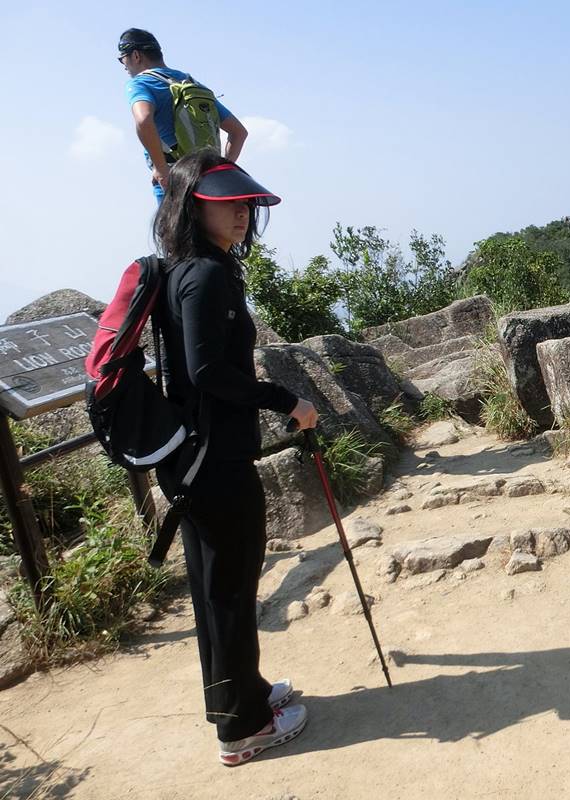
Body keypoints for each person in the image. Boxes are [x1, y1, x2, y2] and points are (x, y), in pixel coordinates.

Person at [153, 150, 317, 766]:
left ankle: (240, 695)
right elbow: (207, 371)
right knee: (228, 588)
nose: (241, 213)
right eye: (226, 203)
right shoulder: (206, 275)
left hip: (196, 457)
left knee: (218, 588)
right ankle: (244, 729)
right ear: (192, 207)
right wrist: (286, 400)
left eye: (244, 203)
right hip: (213, 461)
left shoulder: (189, 269)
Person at [119, 28, 249, 203]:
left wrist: (161, 169)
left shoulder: (140, 83)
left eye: (122, 59)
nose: (124, 66)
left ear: (136, 55)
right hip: (208, 180)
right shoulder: (192, 84)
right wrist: (220, 169)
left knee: (173, 222)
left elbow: (143, 120)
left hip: (175, 178)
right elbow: (239, 132)